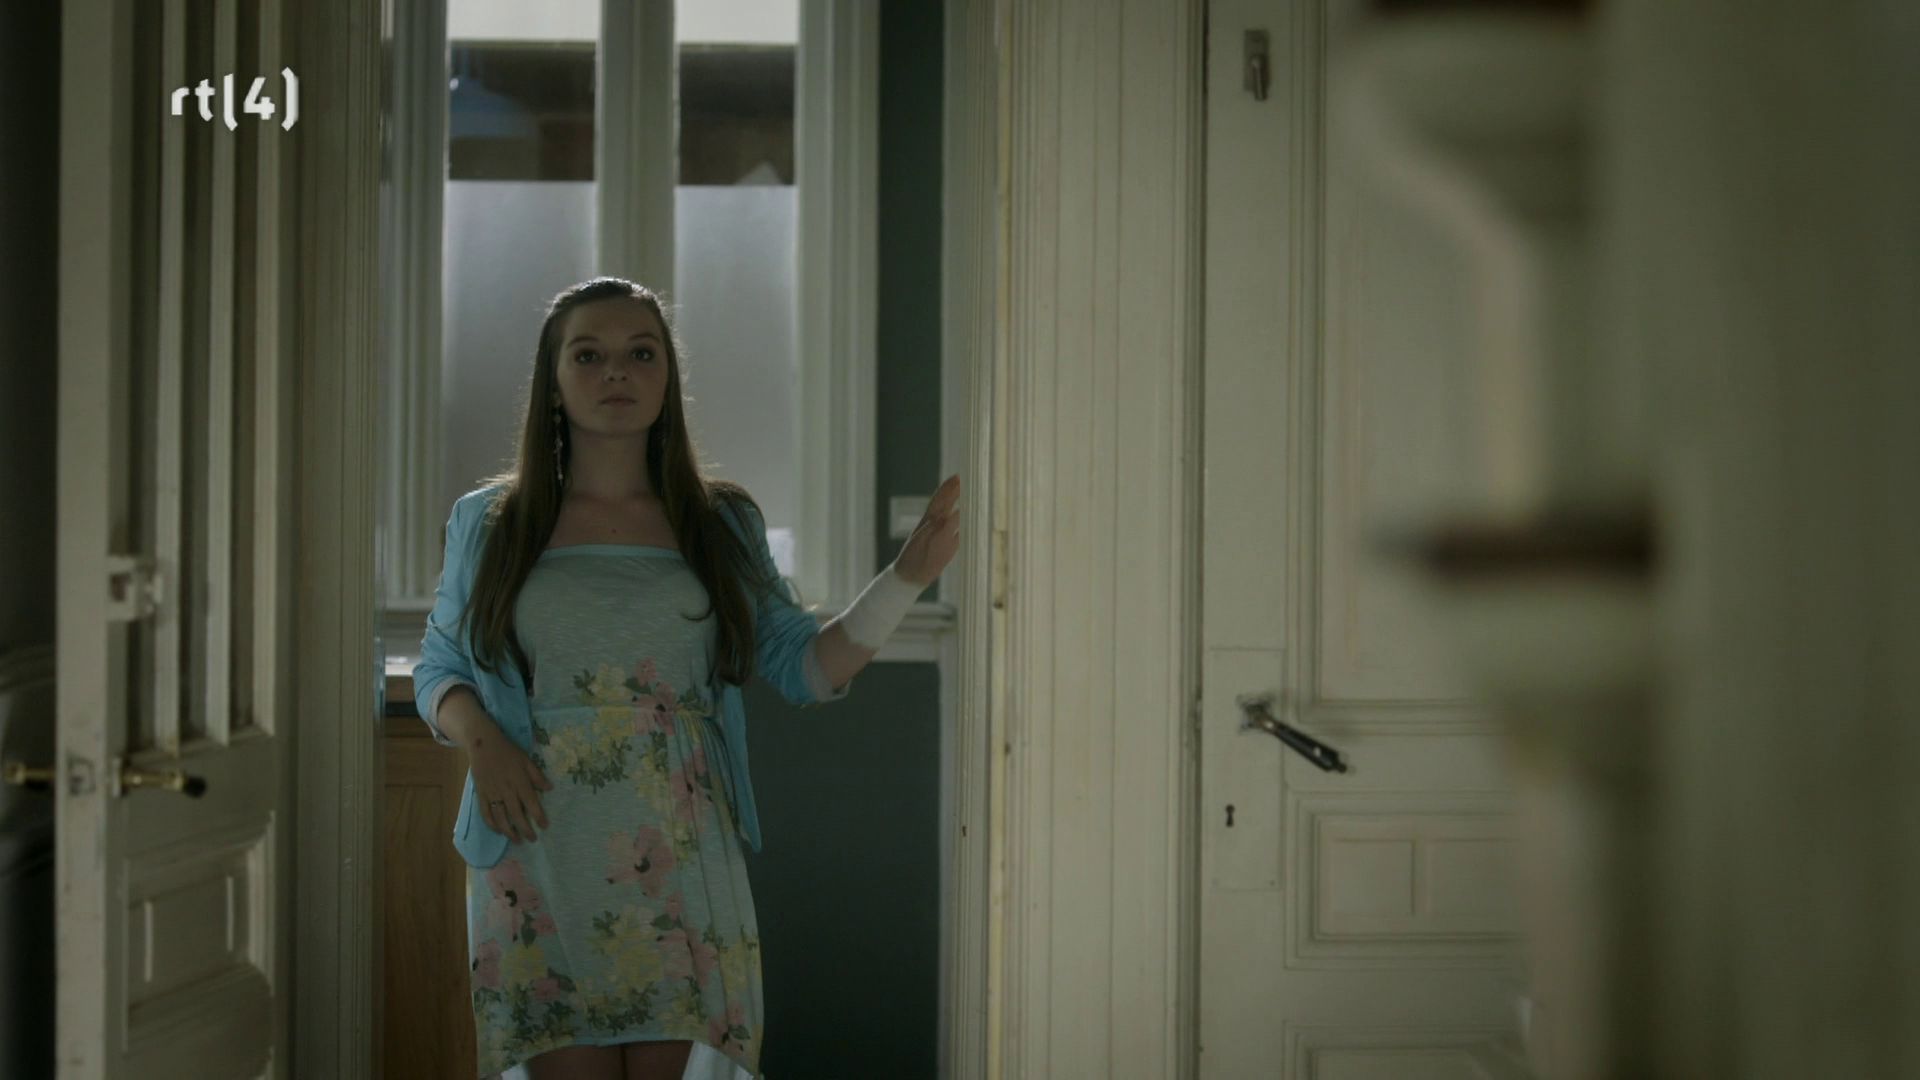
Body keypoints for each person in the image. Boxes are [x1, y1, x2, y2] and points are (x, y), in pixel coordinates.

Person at [412, 277, 962, 1079]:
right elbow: (439, 667)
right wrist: (482, 742)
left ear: (667, 377)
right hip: (537, 842)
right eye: (588, 355)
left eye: (641, 353)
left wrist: (907, 578)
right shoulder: (490, 521)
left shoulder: (719, 520)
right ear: (553, 382)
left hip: (675, 849)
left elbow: (806, 668)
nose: (616, 371)